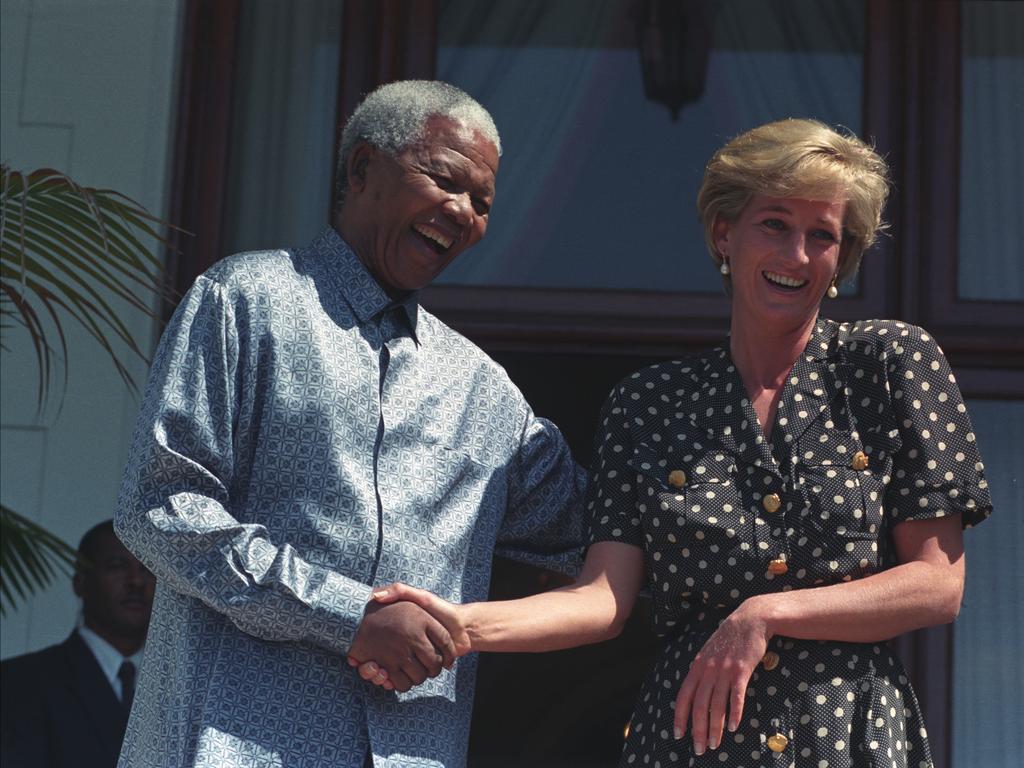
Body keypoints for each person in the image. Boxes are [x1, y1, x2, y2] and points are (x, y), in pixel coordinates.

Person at [362, 118, 993, 767]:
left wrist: (766, 613)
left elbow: (937, 584)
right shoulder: (648, 403)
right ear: (726, 234)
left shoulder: (891, 363)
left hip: (846, 737)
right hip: (693, 744)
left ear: (841, 260)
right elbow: (604, 598)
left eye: (822, 236)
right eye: (775, 223)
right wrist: (461, 627)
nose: (797, 255)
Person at [113, 80, 584, 768]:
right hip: (229, 744)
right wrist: (348, 615)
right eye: (445, 180)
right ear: (363, 168)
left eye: (482, 203)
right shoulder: (248, 300)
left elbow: (607, 533)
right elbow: (159, 509)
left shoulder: (485, 393)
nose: (462, 211)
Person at [1, 520, 156, 768]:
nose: (136, 581)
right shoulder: (18, 682)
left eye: (148, 568)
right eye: (117, 566)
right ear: (80, 583)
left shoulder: (177, 692)